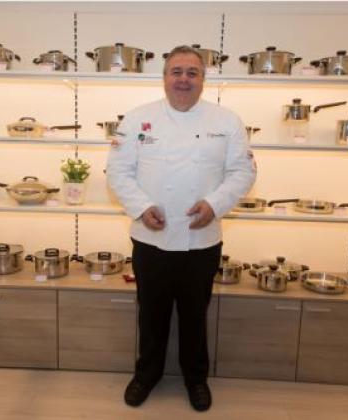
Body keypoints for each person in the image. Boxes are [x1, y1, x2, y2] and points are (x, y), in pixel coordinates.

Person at [106, 45, 257, 412]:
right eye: (177, 71)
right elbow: (118, 172)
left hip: (201, 239)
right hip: (150, 238)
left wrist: (214, 205)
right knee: (151, 314)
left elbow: (243, 172)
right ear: (164, 78)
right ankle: (146, 375)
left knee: (194, 316)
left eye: (192, 72)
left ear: (203, 79)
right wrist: (142, 208)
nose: (184, 79)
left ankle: (196, 379)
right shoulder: (138, 119)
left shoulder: (227, 121)